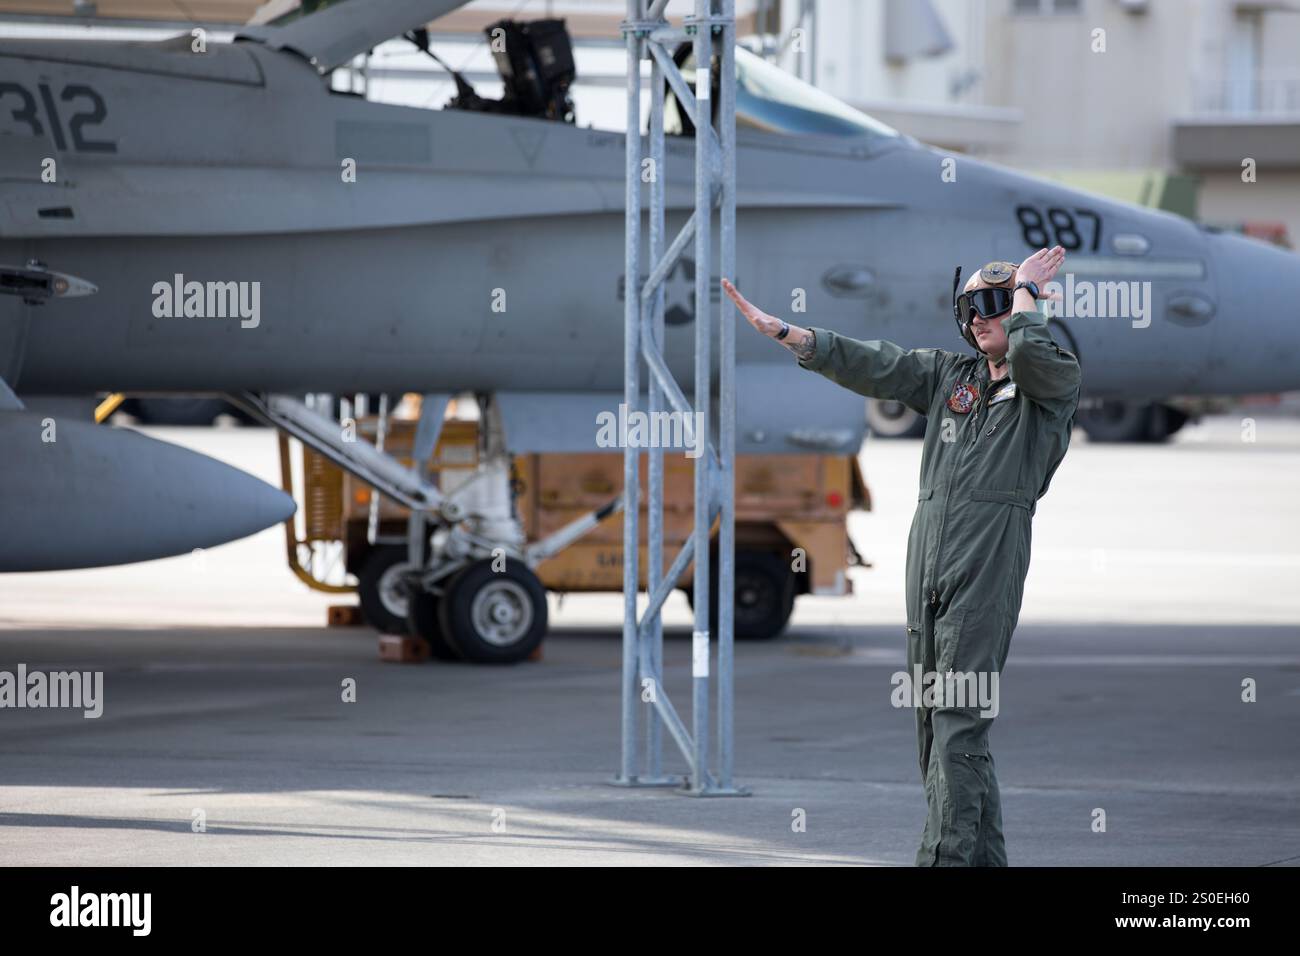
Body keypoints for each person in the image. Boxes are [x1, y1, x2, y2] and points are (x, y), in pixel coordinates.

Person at [720, 246, 1081, 866]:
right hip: (929, 563)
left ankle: (941, 858)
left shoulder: (1049, 382)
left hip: (987, 560)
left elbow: (1030, 354)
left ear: (1025, 306)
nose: (978, 319)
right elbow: (875, 365)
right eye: (969, 308)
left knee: (959, 720)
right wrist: (791, 336)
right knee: (935, 729)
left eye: (994, 304)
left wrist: (1026, 293)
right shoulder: (952, 379)